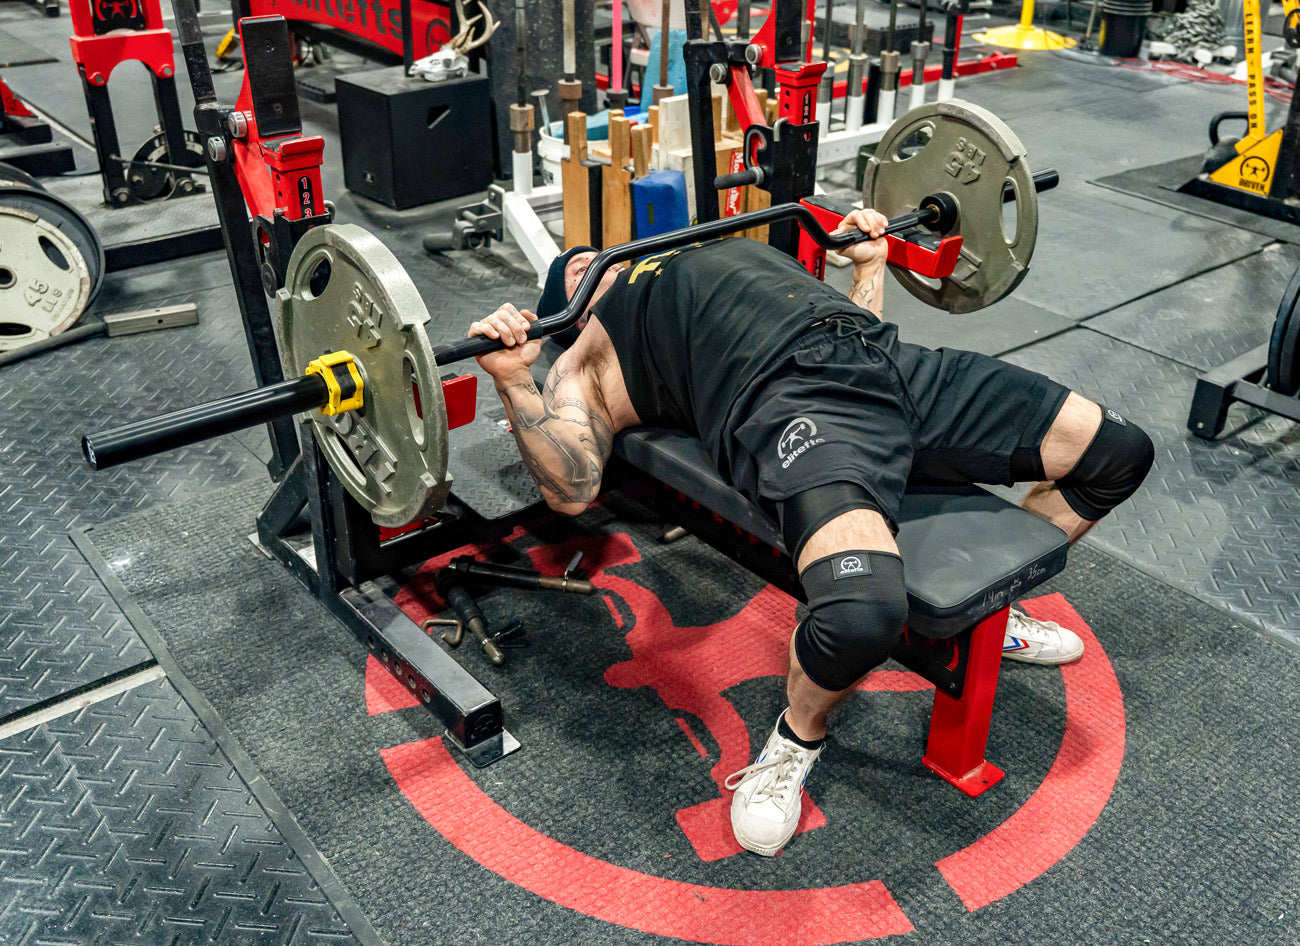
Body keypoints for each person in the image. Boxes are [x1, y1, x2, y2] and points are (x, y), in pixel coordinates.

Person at [467, 210, 1154, 857]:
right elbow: (572, 485)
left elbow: (863, 319)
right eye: (582, 268)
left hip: (891, 366)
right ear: (568, 305)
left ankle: (985, 614)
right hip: (794, 406)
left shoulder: (709, 250)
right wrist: (512, 381)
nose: (605, 264)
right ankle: (796, 740)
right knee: (863, 613)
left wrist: (869, 263)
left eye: (604, 256)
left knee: (1120, 452)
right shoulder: (590, 352)